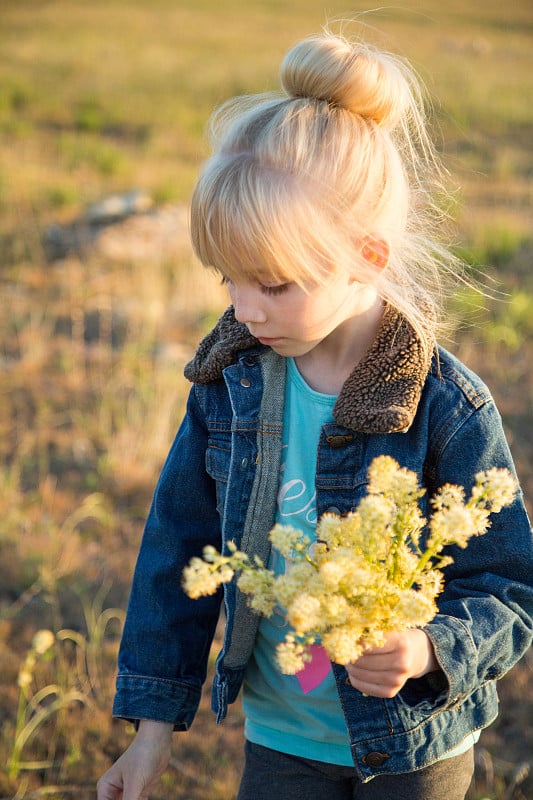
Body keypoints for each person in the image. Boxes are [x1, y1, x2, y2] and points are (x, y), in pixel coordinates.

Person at [97, 28, 533, 800]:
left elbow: (507, 586)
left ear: (366, 257)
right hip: (281, 742)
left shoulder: (445, 406)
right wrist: (150, 733)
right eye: (227, 279)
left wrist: (427, 649)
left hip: (414, 753)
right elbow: (174, 554)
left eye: (273, 283)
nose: (244, 308)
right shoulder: (227, 385)